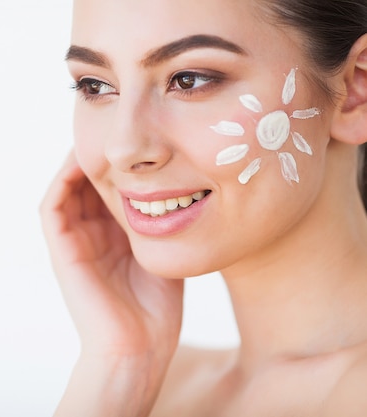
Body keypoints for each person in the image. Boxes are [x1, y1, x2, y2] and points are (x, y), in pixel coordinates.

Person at [40, 0, 367, 415]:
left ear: (355, 90)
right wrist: (120, 366)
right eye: (95, 85)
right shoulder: (154, 387)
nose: (122, 149)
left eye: (189, 79)